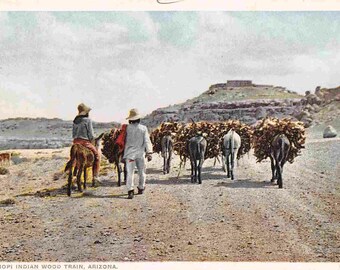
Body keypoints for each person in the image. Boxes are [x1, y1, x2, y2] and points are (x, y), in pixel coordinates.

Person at [123, 108, 153, 199]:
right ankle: (141, 188)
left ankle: (130, 191)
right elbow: (147, 141)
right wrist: (149, 152)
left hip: (130, 155)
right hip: (140, 154)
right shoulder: (143, 128)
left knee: (130, 173)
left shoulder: (127, 128)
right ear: (138, 119)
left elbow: (123, 141)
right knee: (142, 172)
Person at [72, 103, 100, 182]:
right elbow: (91, 135)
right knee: (97, 156)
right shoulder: (88, 120)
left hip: (76, 142)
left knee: (73, 159)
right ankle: (95, 176)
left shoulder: (75, 121)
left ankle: (74, 176)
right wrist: (92, 140)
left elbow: (73, 135)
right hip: (85, 142)